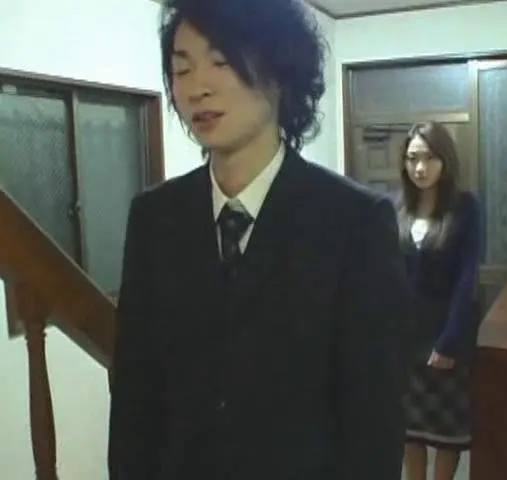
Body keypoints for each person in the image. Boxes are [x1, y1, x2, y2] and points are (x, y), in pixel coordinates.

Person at [107, 0, 412, 479]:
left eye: (221, 61)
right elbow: (134, 396)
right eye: (181, 69)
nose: (197, 87)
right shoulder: (153, 217)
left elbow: (373, 420)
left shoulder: (354, 221)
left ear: (279, 70)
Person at [398, 122, 482, 480]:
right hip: (403, 339)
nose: (420, 167)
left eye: (429, 158)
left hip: (447, 334)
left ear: (445, 160)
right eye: (412, 158)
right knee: (408, 432)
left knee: (447, 434)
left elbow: (467, 279)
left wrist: (449, 342)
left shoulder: (465, 207)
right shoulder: (395, 207)